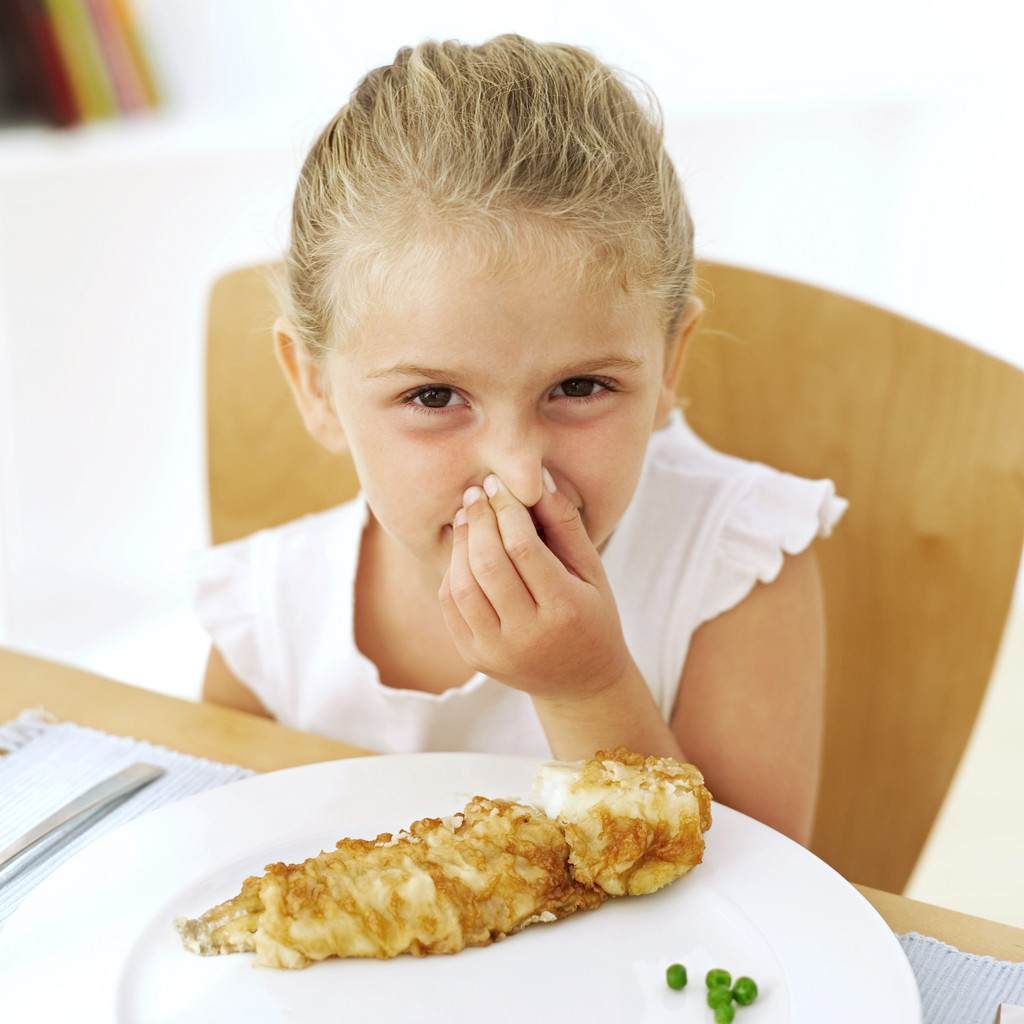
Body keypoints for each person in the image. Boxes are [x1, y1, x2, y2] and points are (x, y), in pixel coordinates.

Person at [195, 34, 845, 844]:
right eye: (434, 396)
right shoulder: (271, 615)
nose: (520, 476)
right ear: (316, 387)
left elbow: (759, 914)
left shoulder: (737, 568)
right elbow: (218, 856)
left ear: (670, 360)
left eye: (579, 388)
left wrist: (587, 690)